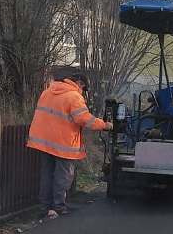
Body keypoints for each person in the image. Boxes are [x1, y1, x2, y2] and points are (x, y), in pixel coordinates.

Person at [27, 73, 112, 219]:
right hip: (62, 143)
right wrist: (105, 125)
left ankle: (44, 207)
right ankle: (58, 206)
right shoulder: (74, 96)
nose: (82, 91)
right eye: (83, 87)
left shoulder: (48, 92)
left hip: (43, 141)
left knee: (47, 174)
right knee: (63, 176)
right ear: (78, 82)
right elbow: (84, 119)